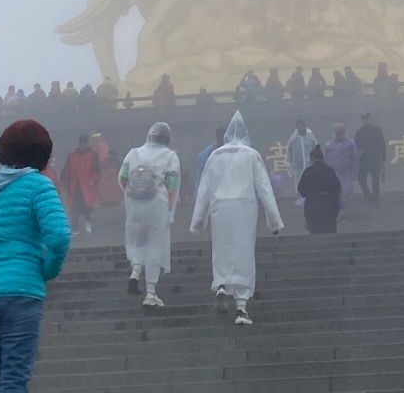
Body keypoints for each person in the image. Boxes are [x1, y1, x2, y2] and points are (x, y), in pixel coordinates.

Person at [0, 119, 70, 393]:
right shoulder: (38, 186)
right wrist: (48, 270)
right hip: (19, 292)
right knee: (14, 381)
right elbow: (59, 236)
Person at [190, 111, 284, 326]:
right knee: (243, 254)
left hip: (220, 209)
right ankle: (241, 309)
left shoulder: (215, 156)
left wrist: (198, 221)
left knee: (222, 249)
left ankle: (222, 287)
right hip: (244, 208)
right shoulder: (252, 155)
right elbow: (264, 188)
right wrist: (274, 221)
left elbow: (204, 189)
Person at [119, 122, 180, 308]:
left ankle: (136, 270)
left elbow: (122, 177)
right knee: (154, 245)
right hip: (157, 205)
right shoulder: (170, 156)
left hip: (134, 205)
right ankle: (151, 293)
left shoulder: (133, 153)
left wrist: (131, 195)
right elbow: (173, 186)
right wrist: (169, 211)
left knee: (136, 242)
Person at [60, 135, 100, 235]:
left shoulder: (93, 155)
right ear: (79, 143)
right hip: (75, 187)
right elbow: (66, 170)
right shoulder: (72, 156)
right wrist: (63, 182)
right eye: (82, 143)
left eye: (85, 143)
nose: (83, 145)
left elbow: (97, 170)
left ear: (87, 143)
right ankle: (75, 229)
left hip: (87, 186)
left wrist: (93, 180)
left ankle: (88, 223)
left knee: (87, 207)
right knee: (74, 209)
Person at [297, 144, 341, 234]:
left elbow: (301, 190)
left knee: (315, 233)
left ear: (311, 158)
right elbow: (337, 189)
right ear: (323, 157)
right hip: (329, 207)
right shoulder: (330, 170)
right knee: (330, 233)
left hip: (313, 207)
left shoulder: (308, 171)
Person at [324, 124, 358, 212]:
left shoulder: (351, 144)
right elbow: (325, 160)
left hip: (346, 173)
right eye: (337, 132)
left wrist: (354, 175)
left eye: (340, 132)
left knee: (345, 193)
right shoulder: (329, 145)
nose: (338, 134)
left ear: (344, 132)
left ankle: (342, 211)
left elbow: (355, 159)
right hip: (333, 173)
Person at [354, 113, 387, 204]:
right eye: (364, 119)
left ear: (370, 119)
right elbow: (356, 146)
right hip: (365, 159)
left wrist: (383, 157)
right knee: (362, 178)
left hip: (373, 158)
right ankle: (369, 195)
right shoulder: (360, 132)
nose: (365, 121)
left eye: (366, 118)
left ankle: (374, 197)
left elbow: (382, 144)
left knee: (374, 178)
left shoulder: (376, 130)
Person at [285, 120, 318, 201]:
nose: (301, 128)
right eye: (299, 126)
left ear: (305, 126)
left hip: (309, 165)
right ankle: (300, 200)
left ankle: (311, 199)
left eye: (302, 126)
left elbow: (316, 148)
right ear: (296, 128)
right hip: (298, 166)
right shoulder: (293, 138)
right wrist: (290, 165)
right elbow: (289, 151)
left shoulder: (311, 137)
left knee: (311, 182)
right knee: (299, 183)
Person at [195, 128, 225, 197]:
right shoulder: (207, 154)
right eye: (219, 137)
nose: (221, 139)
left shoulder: (229, 153)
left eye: (222, 137)